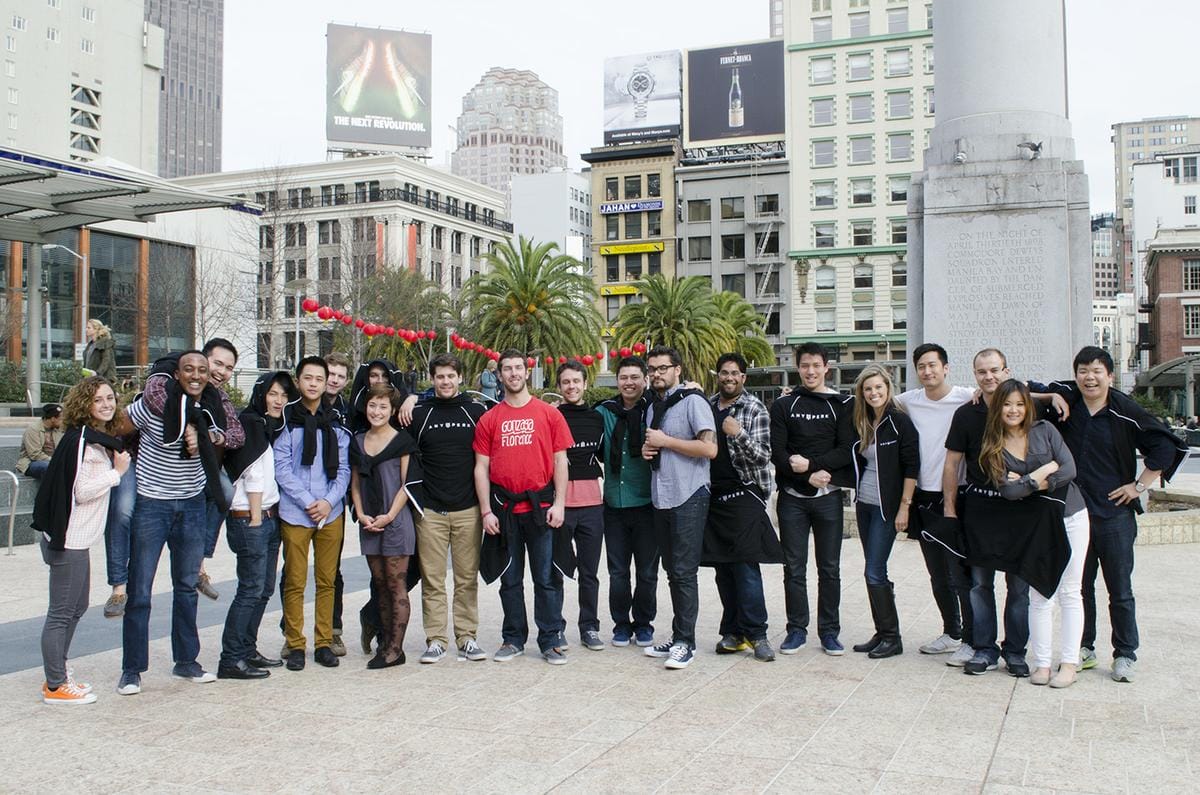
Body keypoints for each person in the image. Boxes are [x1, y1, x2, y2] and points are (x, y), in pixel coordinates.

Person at [1031, 346, 1187, 683]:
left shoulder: (1125, 410)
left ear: (1110, 375)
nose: (1089, 377)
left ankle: (1125, 653)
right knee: (1079, 586)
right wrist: (1048, 398)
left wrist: (1138, 486)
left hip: (1113, 514)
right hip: (1073, 513)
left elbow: (1165, 445)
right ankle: (1084, 647)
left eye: (1097, 371)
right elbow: (1013, 392)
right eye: (1083, 371)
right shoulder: (1066, 401)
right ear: (1076, 375)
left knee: (1119, 587)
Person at [118, 351, 222, 695]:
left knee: (186, 587)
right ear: (176, 375)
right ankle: (132, 669)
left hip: (192, 505)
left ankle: (186, 662)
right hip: (152, 504)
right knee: (141, 591)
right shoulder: (151, 406)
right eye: (189, 369)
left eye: (202, 370)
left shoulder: (210, 409)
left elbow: (228, 437)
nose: (196, 375)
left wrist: (204, 433)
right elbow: (118, 426)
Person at [979, 379, 1088, 688]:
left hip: (1071, 515)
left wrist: (1028, 481)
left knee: (1069, 591)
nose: (1013, 410)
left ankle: (1068, 663)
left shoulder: (1045, 430)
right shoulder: (993, 445)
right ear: (998, 408)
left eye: (1019, 404)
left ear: (1027, 406)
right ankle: (1041, 664)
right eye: (1007, 404)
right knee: (1040, 594)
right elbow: (1009, 491)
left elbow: (1069, 469)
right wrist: (1040, 473)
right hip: (1034, 525)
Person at [32, 376, 129, 704]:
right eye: (98, 399)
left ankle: (59, 672)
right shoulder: (84, 443)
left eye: (110, 398)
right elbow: (83, 491)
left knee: (77, 606)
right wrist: (117, 473)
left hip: (79, 539)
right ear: (85, 405)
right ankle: (56, 685)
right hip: (69, 539)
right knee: (61, 612)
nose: (107, 404)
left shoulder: (93, 439)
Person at [473, 349, 573, 665]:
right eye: (507, 369)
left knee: (545, 578)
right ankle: (513, 638)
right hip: (505, 512)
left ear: (527, 372)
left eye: (519, 368)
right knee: (510, 579)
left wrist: (560, 503)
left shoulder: (549, 414)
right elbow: (481, 467)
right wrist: (486, 510)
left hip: (541, 509)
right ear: (498, 374)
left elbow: (560, 460)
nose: (514, 373)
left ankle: (551, 639)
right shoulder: (489, 419)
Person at [944, 349, 1032, 677]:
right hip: (979, 509)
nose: (989, 376)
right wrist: (950, 508)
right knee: (980, 585)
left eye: (994, 370)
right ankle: (984, 649)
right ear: (975, 375)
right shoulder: (966, 415)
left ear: (1007, 371)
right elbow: (952, 464)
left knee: (1019, 587)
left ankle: (1016, 652)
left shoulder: (1026, 411)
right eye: (982, 372)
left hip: (1020, 511)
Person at [140, 338, 245, 601]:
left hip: (197, 472)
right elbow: (154, 400)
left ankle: (199, 560)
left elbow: (237, 434)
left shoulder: (219, 396)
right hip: (152, 472)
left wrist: (213, 436)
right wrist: (188, 421)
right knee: (123, 510)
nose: (222, 371)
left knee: (225, 492)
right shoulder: (165, 378)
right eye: (217, 363)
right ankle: (118, 584)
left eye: (229, 368)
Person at [769, 342, 854, 655]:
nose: (810, 371)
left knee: (829, 568)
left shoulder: (841, 404)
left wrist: (815, 469)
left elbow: (846, 450)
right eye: (805, 365)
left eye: (816, 365)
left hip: (828, 498)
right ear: (797, 366)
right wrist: (805, 476)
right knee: (794, 568)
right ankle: (796, 630)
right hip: (792, 498)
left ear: (826, 367)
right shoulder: (783, 405)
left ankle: (830, 632)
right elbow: (778, 453)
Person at [897, 344, 977, 664]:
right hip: (924, 497)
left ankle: (971, 638)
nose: (927, 371)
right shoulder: (909, 401)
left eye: (933, 365)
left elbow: (1010, 392)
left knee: (961, 573)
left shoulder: (966, 396)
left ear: (946, 368)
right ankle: (951, 632)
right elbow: (870, 396)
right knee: (937, 574)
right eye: (922, 367)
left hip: (957, 495)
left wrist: (1051, 395)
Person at [407, 353, 488, 664]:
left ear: (460, 378)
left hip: (468, 509)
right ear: (433, 379)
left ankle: (467, 637)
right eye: (439, 376)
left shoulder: (476, 412)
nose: (445, 381)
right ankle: (436, 639)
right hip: (430, 512)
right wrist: (409, 397)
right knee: (433, 579)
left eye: (450, 376)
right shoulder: (418, 413)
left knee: (467, 579)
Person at [216, 371, 296, 681]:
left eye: (284, 396)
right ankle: (230, 658)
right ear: (261, 394)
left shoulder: (267, 425)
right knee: (249, 589)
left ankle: (247, 649)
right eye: (273, 394)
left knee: (262, 589)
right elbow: (253, 474)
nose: (279, 400)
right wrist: (256, 515)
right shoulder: (250, 422)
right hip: (251, 517)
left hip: (267, 515)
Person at [641, 346, 717, 670]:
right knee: (672, 572)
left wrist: (664, 442)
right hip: (662, 495)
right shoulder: (652, 407)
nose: (657, 373)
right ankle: (677, 636)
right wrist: (649, 449)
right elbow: (655, 444)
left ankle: (687, 642)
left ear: (677, 369)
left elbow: (709, 448)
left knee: (684, 572)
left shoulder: (693, 402)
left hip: (689, 495)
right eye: (653, 369)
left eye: (663, 368)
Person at [704, 353, 781, 663]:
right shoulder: (707, 406)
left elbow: (763, 456)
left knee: (746, 566)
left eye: (735, 373)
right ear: (718, 375)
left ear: (744, 377)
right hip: (713, 497)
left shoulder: (754, 408)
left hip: (745, 495)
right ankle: (733, 632)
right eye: (724, 373)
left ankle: (758, 634)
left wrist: (738, 433)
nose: (729, 378)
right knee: (722, 568)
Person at [275, 356, 351, 671]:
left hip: (330, 513)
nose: (314, 384)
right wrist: (309, 500)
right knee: (294, 580)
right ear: (299, 380)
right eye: (308, 378)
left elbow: (344, 469)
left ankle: (323, 643)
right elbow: (281, 467)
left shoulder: (336, 421)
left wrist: (329, 502)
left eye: (319, 379)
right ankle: (295, 644)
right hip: (296, 511)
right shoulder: (284, 420)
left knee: (326, 579)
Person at [848, 365, 919, 660]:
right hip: (864, 505)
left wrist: (905, 507)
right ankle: (882, 632)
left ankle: (893, 637)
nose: (874, 393)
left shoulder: (899, 422)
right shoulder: (863, 421)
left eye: (878, 387)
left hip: (886, 509)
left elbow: (912, 467)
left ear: (888, 388)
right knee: (873, 571)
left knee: (874, 570)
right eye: (868, 389)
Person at [350, 384, 419, 669]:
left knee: (396, 584)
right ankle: (385, 641)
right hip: (369, 522)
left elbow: (407, 485)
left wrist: (389, 516)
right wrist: (363, 514)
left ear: (392, 411)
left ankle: (395, 648)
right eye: (372, 406)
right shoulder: (357, 441)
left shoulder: (402, 441)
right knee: (379, 585)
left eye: (383, 407)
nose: (376, 412)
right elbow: (354, 484)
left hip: (395, 521)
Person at [595, 356, 659, 648]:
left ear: (645, 379)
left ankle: (644, 623)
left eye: (635, 377)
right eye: (624, 377)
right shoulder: (603, 412)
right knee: (617, 572)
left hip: (647, 505)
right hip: (614, 505)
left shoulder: (655, 411)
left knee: (647, 571)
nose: (629, 382)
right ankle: (621, 624)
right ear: (616, 380)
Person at [554, 360, 607, 651]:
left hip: (592, 506)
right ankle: (556, 628)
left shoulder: (598, 417)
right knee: (557, 571)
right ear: (559, 386)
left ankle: (589, 628)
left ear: (585, 384)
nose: (571, 386)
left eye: (576, 381)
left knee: (589, 573)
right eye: (566, 382)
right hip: (560, 506)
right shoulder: (551, 416)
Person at [16, 403, 63, 479]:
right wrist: (54, 460)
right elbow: (35, 454)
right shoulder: (33, 429)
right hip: (31, 463)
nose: (63, 421)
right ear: (53, 419)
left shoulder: (58, 429)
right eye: (61, 419)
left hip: (53, 460)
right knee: (47, 467)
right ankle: (48, 491)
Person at [83, 318, 117, 383]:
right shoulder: (90, 345)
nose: (86, 330)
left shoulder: (105, 342)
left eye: (89, 328)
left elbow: (106, 361)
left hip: (104, 379)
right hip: (91, 379)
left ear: (96, 329)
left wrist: (97, 373)